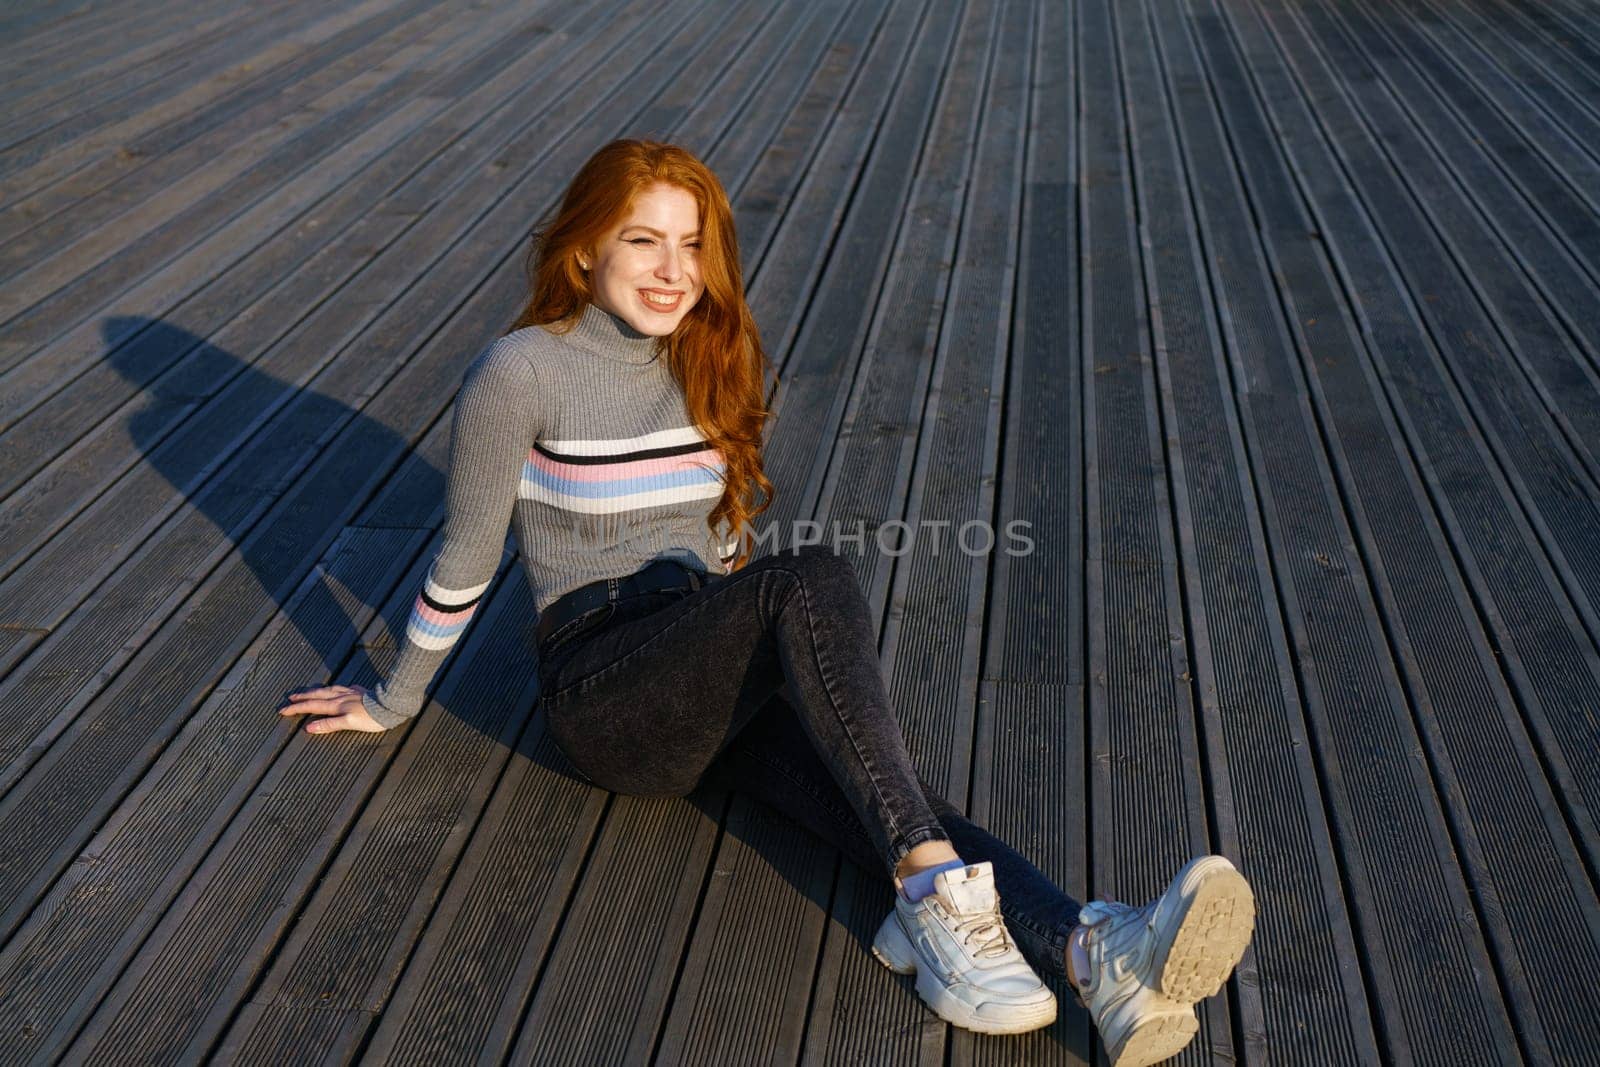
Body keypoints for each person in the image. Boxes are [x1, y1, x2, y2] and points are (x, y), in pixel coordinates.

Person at [278, 139, 1255, 1065]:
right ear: (584, 249)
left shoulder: (710, 356)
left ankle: (1098, 961)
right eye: (642, 239)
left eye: (691, 244)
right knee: (815, 579)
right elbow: (466, 552)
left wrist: (781, 661)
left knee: (884, 789)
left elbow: (723, 542)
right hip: (603, 686)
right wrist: (391, 697)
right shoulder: (520, 371)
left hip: (703, 656)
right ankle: (932, 899)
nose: (670, 269)